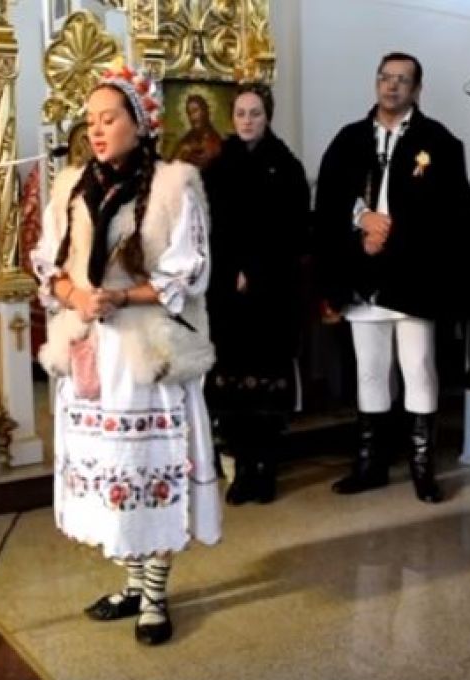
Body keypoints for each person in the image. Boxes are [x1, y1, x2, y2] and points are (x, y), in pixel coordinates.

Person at [30, 64, 221, 647]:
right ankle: (134, 583)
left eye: (108, 118)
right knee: (112, 471)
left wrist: (120, 296)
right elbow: (48, 265)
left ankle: (155, 593)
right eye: (90, 120)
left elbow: (188, 273)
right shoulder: (70, 186)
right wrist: (74, 296)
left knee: (147, 467)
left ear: (139, 124)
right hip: (91, 351)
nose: (96, 129)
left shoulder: (173, 185)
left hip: (146, 351)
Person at [314, 52, 470, 503]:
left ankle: (423, 468)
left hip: (414, 278)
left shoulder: (439, 142)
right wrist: (360, 222)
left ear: (417, 89)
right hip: (363, 275)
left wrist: (397, 237)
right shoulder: (349, 139)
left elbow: (453, 216)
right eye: (385, 77)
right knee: (370, 369)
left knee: (418, 367)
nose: (392, 86)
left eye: (402, 80)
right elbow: (328, 201)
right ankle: (370, 463)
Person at [202, 82, 309, 505]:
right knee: (232, 389)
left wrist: (256, 271)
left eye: (255, 113)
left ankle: (266, 469)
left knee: (265, 385)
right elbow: (208, 229)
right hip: (226, 294)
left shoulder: (286, 167)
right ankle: (243, 469)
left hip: (271, 294)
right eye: (241, 113)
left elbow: (292, 231)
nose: (247, 121)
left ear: (268, 116)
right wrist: (230, 271)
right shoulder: (215, 168)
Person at [171, 94, 223, 168]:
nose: (192, 117)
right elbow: (174, 165)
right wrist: (182, 154)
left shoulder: (216, 139)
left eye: (195, 111)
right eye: (189, 113)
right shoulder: (185, 141)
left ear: (204, 111)